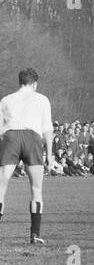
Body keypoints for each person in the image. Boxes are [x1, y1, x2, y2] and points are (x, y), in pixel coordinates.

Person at [0, 68, 54, 244]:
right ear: (35, 84)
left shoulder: (6, 100)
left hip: (11, 137)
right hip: (32, 138)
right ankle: (35, 234)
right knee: (36, 189)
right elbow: (47, 128)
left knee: (1, 187)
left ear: (20, 82)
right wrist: (50, 155)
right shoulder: (41, 99)